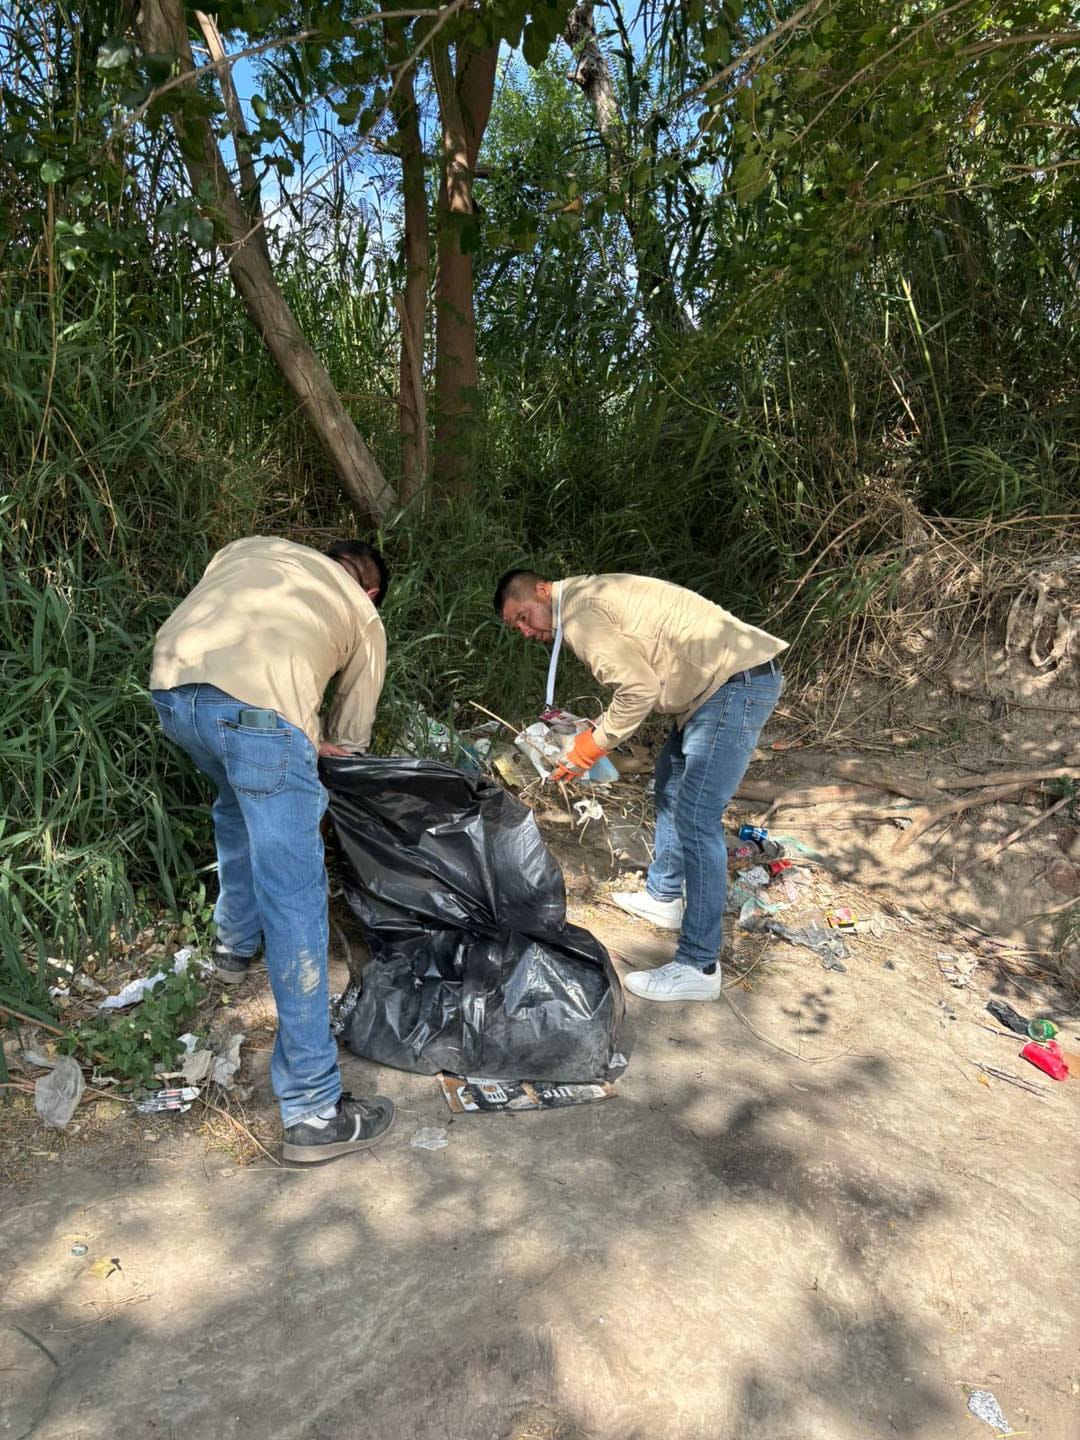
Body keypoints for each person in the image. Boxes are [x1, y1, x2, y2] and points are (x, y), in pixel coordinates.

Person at [150, 536, 396, 1163]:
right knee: (296, 898)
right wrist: (322, 743)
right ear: (369, 589)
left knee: (235, 805)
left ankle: (233, 946)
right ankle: (313, 1109)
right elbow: (350, 734)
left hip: (174, 694)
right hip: (258, 714)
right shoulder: (363, 615)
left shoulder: (251, 548)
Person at [494, 569, 786, 1002]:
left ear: (542, 591)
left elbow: (638, 689)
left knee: (697, 820)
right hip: (719, 686)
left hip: (731, 687)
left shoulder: (578, 614)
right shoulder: (586, 597)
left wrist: (591, 747)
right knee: (669, 785)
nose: (524, 630)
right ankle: (664, 896)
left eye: (523, 616)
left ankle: (699, 965)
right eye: (515, 626)